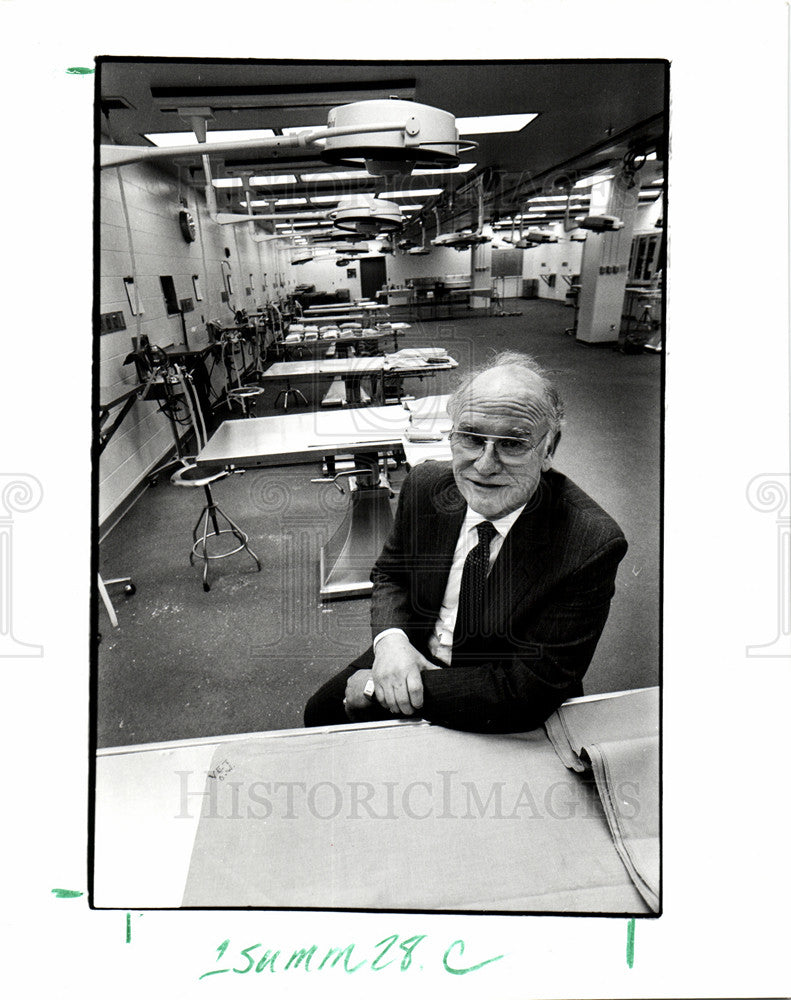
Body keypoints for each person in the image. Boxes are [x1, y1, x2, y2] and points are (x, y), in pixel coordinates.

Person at [304, 351, 627, 734]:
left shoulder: (589, 543)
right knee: (319, 714)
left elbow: (527, 690)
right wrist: (391, 643)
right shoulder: (426, 487)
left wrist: (378, 689)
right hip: (412, 652)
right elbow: (392, 574)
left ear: (549, 449)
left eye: (511, 444)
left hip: (499, 692)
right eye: (471, 438)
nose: (485, 465)